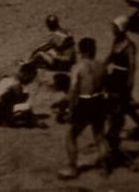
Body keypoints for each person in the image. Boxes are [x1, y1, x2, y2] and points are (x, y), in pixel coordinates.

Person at [59, 37, 108, 179]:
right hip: (99, 101)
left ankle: (72, 168)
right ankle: (104, 168)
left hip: (84, 103)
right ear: (93, 50)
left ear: (81, 51)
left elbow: (73, 90)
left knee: (71, 136)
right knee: (99, 136)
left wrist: (69, 109)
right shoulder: (101, 66)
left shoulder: (77, 67)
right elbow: (106, 86)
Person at [105, 16, 139, 159]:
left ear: (121, 29)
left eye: (115, 27)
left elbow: (132, 67)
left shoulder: (128, 46)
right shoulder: (117, 41)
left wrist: (129, 85)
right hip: (115, 75)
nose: (112, 29)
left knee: (121, 104)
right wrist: (102, 65)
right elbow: (111, 56)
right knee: (125, 106)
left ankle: (115, 130)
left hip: (123, 77)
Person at [0, 62, 40, 127]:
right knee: (28, 107)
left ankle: (4, 119)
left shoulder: (6, 79)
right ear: (26, 75)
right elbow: (17, 101)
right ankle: (10, 120)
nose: (30, 82)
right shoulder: (16, 84)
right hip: (2, 109)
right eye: (30, 79)